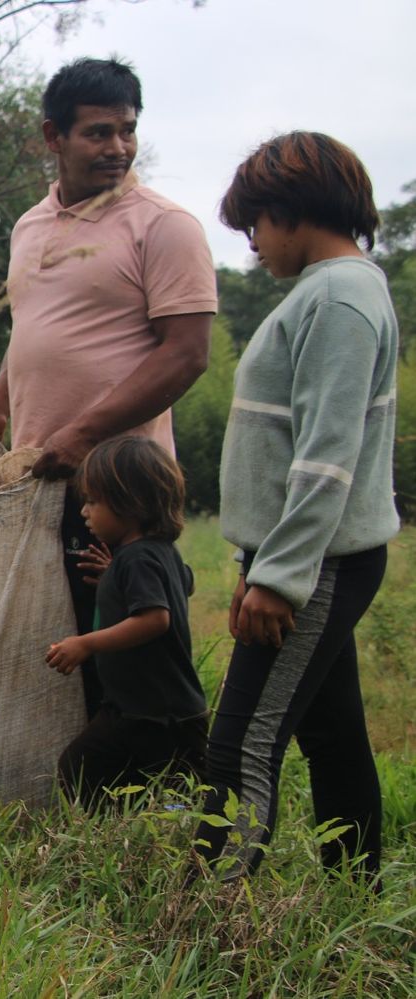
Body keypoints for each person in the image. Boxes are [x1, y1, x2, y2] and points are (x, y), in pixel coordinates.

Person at [0, 57, 217, 717]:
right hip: (39, 472)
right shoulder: (30, 226)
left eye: (127, 131)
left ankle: (151, 783)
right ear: (53, 137)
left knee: (125, 649)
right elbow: (33, 334)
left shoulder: (165, 225)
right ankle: (69, 782)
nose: (118, 148)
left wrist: (86, 434)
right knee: (48, 637)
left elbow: (187, 354)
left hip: (119, 485)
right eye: (98, 133)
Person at [194, 133, 399, 882]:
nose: (255, 247)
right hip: (310, 556)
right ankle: (357, 885)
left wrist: (278, 577)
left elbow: (326, 454)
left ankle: (206, 913)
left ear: (291, 209)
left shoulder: (342, 297)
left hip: (318, 561)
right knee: (333, 728)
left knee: (242, 741)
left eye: (256, 228)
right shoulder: (330, 290)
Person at [44, 437, 207, 809]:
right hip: (134, 709)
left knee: (180, 801)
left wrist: (85, 644)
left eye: (93, 501)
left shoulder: (137, 558)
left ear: (130, 503)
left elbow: (154, 619)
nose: (84, 512)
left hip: (162, 718)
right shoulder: (156, 552)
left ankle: (174, 850)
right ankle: (119, 839)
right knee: (83, 767)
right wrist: (115, 579)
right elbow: (183, 584)